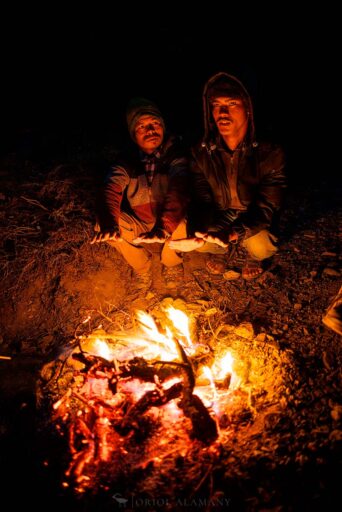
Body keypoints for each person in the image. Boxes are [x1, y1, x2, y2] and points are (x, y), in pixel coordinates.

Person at [169, 72, 286, 279]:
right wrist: (198, 233)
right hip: (222, 213)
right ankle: (221, 250)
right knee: (199, 240)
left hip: (253, 216)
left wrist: (233, 233)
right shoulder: (201, 151)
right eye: (216, 104)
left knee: (261, 246)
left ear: (248, 109)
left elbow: (267, 207)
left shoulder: (270, 152)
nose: (222, 112)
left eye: (231, 103)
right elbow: (202, 199)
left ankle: (251, 254)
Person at [92, 97, 189, 290]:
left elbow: (180, 187)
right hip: (141, 220)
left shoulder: (176, 155)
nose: (151, 131)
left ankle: (171, 263)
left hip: (169, 219)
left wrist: (165, 226)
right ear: (133, 134)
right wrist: (109, 222)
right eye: (142, 126)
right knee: (103, 225)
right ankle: (142, 267)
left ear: (163, 127)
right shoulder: (127, 160)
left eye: (155, 124)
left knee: (182, 220)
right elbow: (112, 186)